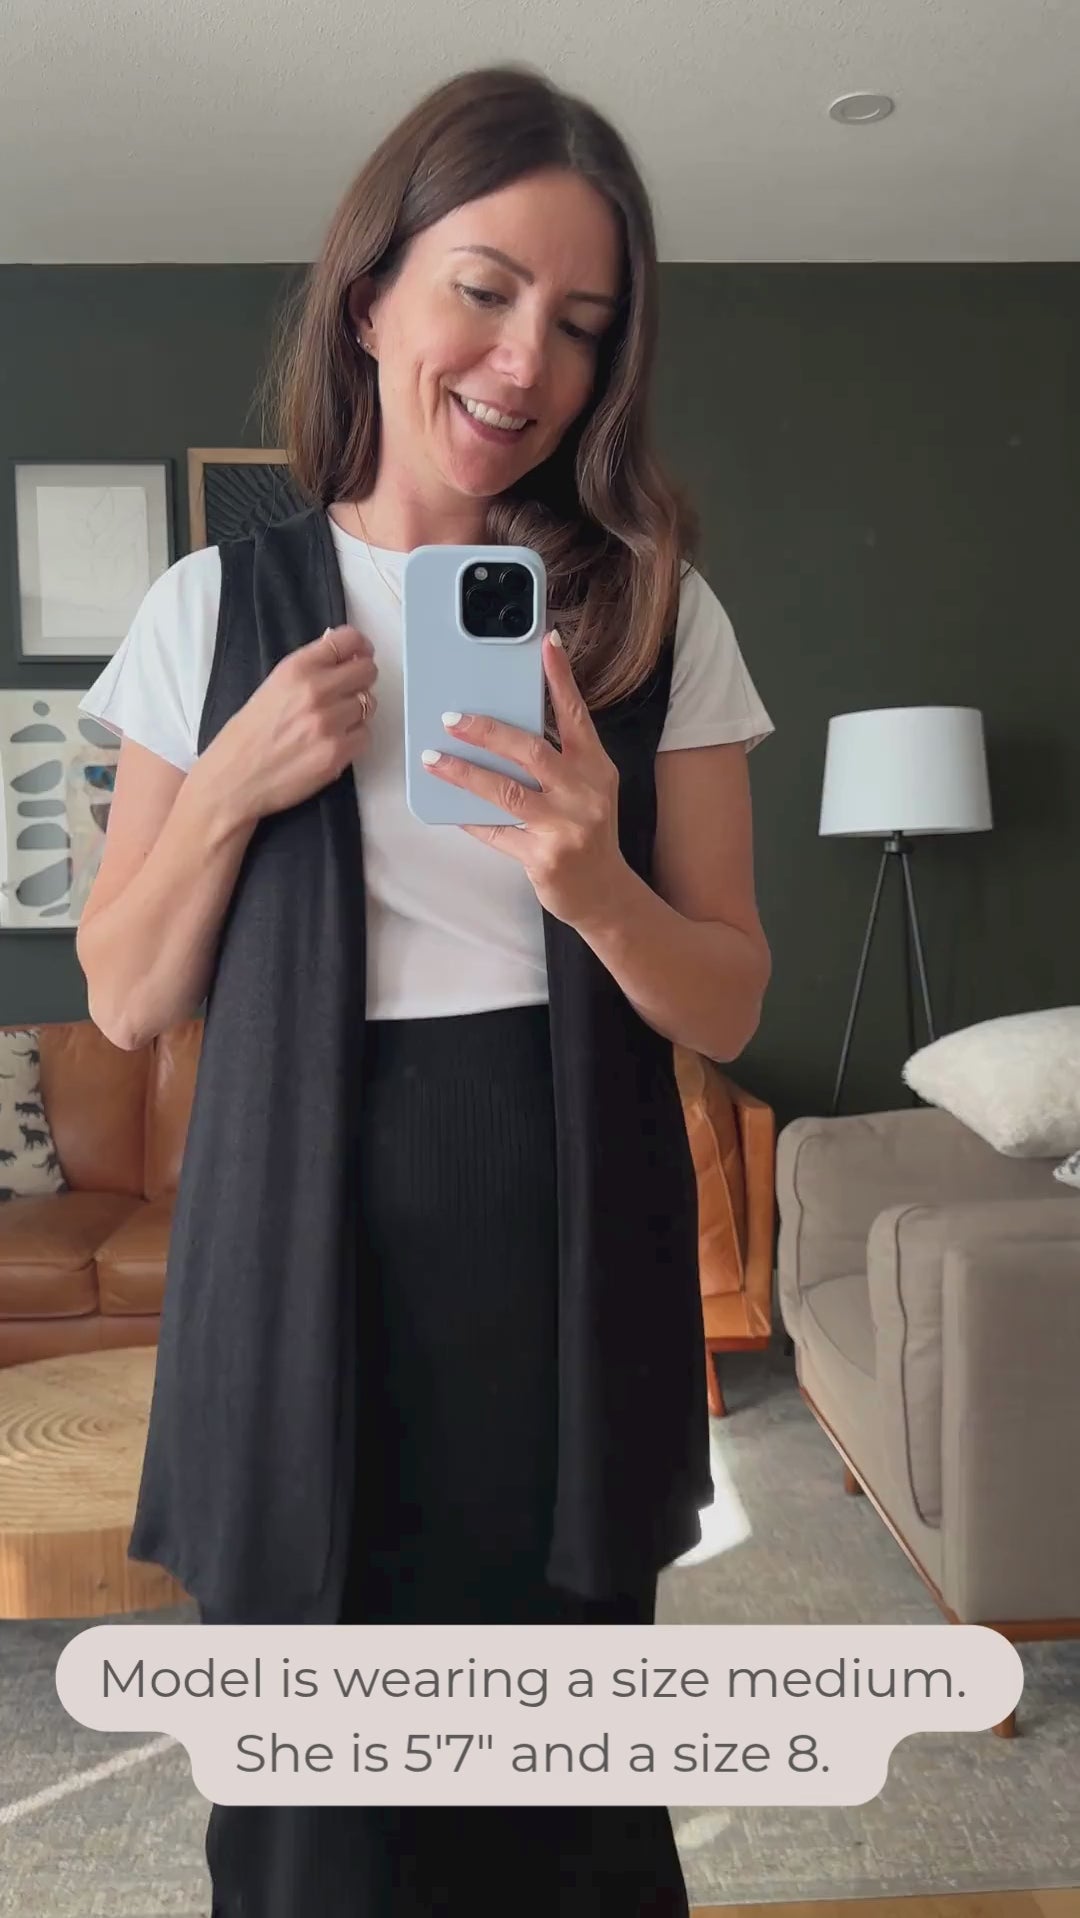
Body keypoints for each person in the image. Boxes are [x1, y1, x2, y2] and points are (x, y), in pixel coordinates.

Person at [76, 62, 773, 1918]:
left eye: (583, 322)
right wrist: (232, 780)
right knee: (311, 1826)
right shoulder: (209, 611)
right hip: (290, 1244)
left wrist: (595, 882)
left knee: (567, 1812)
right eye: (485, 287)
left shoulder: (654, 613)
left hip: (566, 1255)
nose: (528, 360)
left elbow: (723, 1001)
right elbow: (127, 996)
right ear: (373, 293)